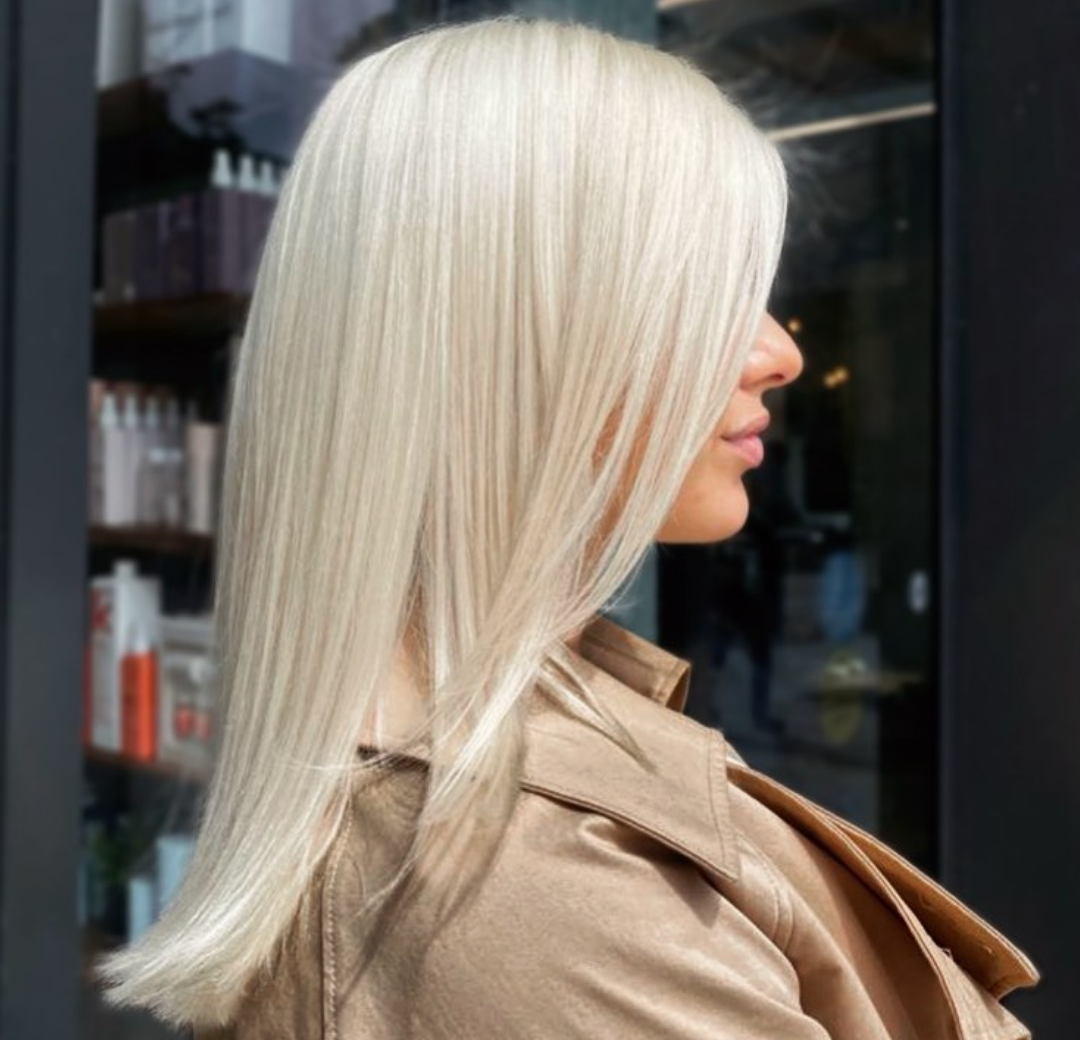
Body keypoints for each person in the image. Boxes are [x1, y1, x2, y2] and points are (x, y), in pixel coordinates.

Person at [93, 15, 1040, 1039]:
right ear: (515, 336)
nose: (780, 353)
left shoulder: (515, 804)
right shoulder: (533, 892)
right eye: (702, 290)